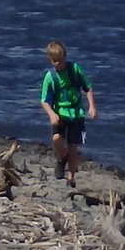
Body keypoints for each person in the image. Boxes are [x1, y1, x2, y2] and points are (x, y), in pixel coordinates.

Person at [38, 41, 96, 186]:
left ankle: (71, 178)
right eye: (53, 61)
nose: (56, 63)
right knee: (56, 139)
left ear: (64, 58)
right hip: (60, 112)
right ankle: (62, 157)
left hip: (76, 113)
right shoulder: (50, 76)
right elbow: (44, 100)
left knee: (73, 146)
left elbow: (87, 87)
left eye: (59, 60)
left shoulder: (74, 69)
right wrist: (51, 114)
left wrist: (92, 107)